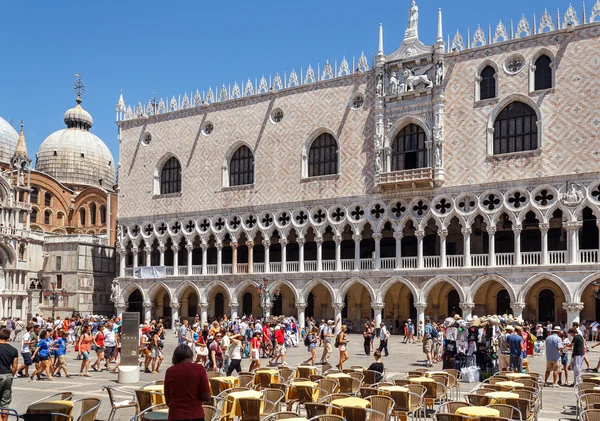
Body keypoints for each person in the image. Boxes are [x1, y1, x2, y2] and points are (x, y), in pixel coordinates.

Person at [164, 344, 211, 421]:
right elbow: (206, 396)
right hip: (195, 414)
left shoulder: (170, 371)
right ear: (191, 356)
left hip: (175, 415)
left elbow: (168, 399)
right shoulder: (199, 369)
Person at [0, 328, 18, 421]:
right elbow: (15, 366)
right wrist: (11, 375)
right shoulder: (13, 350)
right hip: (8, 375)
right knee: (5, 403)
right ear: (8, 337)